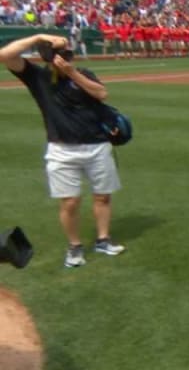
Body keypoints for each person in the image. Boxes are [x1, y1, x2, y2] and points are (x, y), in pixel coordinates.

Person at [2, 34, 127, 268]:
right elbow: (5, 55)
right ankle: (74, 246)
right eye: (60, 54)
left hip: (96, 145)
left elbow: (101, 94)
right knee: (69, 202)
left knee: (103, 196)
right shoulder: (38, 77)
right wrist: (38, 37)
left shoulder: (84, 73)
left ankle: (103, 240)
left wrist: (72, 73)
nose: (65, 58)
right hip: (61, 149)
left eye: (67, 54)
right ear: (49, 57)